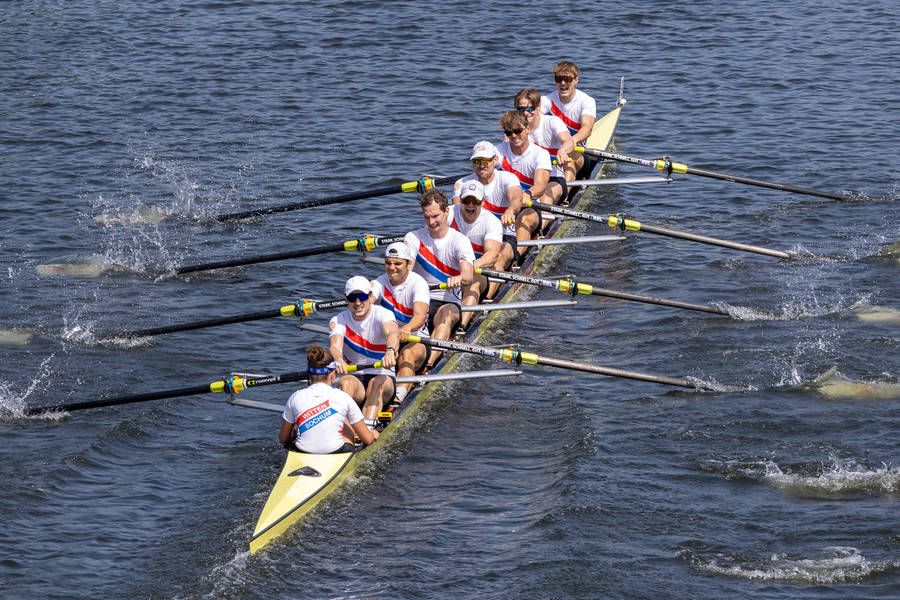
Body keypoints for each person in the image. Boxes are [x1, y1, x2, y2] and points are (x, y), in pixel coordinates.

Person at [404, 189, 475, 367]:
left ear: (446, 212)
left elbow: (468, 274)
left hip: (447, 300)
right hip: (419, 299)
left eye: (435, 216)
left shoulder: (460, 240)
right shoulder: (413, 238)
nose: (431, 222)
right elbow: (407, 269)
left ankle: (429, 366)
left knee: (444, 317)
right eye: (426, 217)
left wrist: (459, 278)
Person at [329, 275, 400, 429]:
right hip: (355, 377)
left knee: (376, 384)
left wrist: (390, 351)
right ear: (346, 299)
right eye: (352, 298)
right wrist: (338, 359)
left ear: (369, 296)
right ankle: (337, 432)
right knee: (345, 383)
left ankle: (365, 433)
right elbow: (335, 346)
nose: (358, 303)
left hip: (382, 375)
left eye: (362, 297)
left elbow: (392, 334)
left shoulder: (383, 314)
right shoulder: (339, 320)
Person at [278, 345, 378, 454]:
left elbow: (283, 438)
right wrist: (373, 434)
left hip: (302, 451)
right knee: (345, 422)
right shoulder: (343, 397)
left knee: (297, 429)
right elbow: (367, 439)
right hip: (335, 452)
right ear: (332, 375)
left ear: (309, 374)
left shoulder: (295, 397)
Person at [453, 140, 523, 277]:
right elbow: (456, 211)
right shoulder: (462, 184)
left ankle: (489, 296)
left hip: (504, 235)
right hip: (470, 237)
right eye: (477, 161)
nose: (481, 165)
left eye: (486, 160)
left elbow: (516, 199)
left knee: (497, 260)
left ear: (495, 160)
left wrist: (510, 210)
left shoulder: (507, 178)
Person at [373, 242, 430, 403]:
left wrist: (407, 328)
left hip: (415, 337)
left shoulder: (418, 283)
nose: (392, 268)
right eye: (388, 263)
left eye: (397, 264)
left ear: (409, 263)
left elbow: (419, 316)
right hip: (389, 339)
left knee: (406, 355)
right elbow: (368, 300)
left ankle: (398, 398)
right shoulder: (379, 283)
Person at [448, 180, 504, 328]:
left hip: (478, 272)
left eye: (476, 201)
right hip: (451, 270)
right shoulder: (448, 213)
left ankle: (461, 328)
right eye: (467, 200)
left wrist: (468, 270)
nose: (471, 205)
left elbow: (491, 255)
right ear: (460, 200)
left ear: (483, 202)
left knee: (472, 281)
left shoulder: (491, 221)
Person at [494, 110, 553, 242]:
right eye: (509, 133)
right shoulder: (496, 152)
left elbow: (540, 186)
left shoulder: (540, 154)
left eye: (517, 131)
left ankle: (517, 258)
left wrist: (528, 194)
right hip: (502, 206)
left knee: (523, 220)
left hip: (529, 207)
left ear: (527, 129)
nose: (514, 136)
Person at [540, 60, 597, 175]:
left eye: (568, 79)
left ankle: (565, 190)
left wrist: (572, 141)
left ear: (576, 80)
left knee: (568, 161)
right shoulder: (546, 100)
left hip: (577, 151)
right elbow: (528, 118)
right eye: (558, 79)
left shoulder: (586, 101)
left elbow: (587, 129)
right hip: (551, 150)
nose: (562, 83)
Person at [515, 87, 576, 186]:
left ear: (538, 107)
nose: (525, 113)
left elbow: (569, 141)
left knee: (569, 161)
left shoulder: (552, 122)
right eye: (521, 109)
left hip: (554, 175)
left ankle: (566, 197)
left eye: (530, 109)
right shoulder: (513, 131)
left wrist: (563, 150)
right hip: (529, 176)